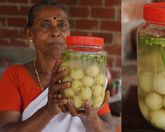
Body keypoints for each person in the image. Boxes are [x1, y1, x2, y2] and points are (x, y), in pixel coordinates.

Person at [0, 1, 114, 132]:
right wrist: (49, 110)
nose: (56, 32)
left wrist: (91, 118)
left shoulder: (86, 77)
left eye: (61, 25)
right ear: (29, 34)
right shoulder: (15, 75)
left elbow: (109, 129)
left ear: (69, 32)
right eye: (45, 25)